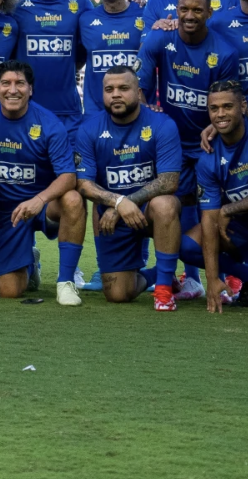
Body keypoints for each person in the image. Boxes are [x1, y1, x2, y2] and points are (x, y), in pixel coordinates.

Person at [139, 0, 243, 296]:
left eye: (197, 9)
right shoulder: (160, 37)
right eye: (183, 9)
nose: (189, 15)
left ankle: (227, 277)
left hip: (207, 142)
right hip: (172, 143)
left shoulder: (224, 52)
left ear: (209, 13)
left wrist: (216, 125)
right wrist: (153, 120)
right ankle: (186, 279)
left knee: (211, 210)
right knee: (172, 208)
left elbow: (226, 102)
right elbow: (140, 85)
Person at [70, 65, 184, 308]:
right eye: (109, 89)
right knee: (118, 294)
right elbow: (83, 184)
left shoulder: (162, 124)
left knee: (165, 204)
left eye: (123, 88)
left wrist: (126, 202)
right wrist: (118, 203)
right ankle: (158, 275)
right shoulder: (89, 129)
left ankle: (163, 291)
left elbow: (169, 181)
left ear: (139, 92)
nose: (115, 95)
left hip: (149, 212)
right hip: (114, 215)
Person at [0, 60, 82, 302]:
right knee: (9, 291)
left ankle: (65, 282)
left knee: (72, 199)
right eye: (5, 83)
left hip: (42, 205)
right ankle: (30, 264)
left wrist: (39, 200)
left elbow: (68, 176)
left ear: (30, 89)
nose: (13, 90)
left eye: (20, 83)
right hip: (5, 213)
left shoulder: (50, 124)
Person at [188, 82, 248, 313]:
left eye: (227, 106)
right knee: (188, 245)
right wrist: (212, 279)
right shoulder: (208, 157)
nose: (220, 114)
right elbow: (210, 218)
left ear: (243, 106)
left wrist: (229, 210)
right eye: (214, 108)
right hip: (244, 228)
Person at [13, 0, 89, 124]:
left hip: (67, 110)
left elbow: (86, 47)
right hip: (25, 109)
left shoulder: (79, 1)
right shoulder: (17, 2)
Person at [78, 0, 149, 115]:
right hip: (95, 115)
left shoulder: (146, 16)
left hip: (138, 113)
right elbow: (77, 60)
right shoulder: (85, 19)